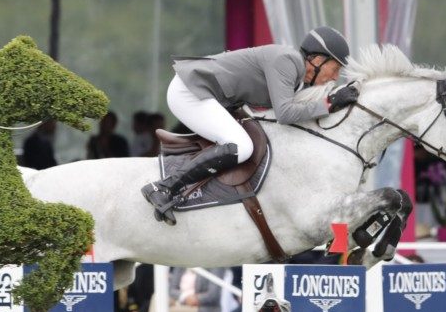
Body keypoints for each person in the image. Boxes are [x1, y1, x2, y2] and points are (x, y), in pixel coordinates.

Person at [141, 26, 355, 224]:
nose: (335, 77)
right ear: (316, 59)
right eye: (335, 69)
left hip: (207, 95)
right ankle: (164, 188)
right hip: (190, 91)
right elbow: (285, 113)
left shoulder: (298, 79)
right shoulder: (287, 60)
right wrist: (329, 104)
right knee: (242, 146)